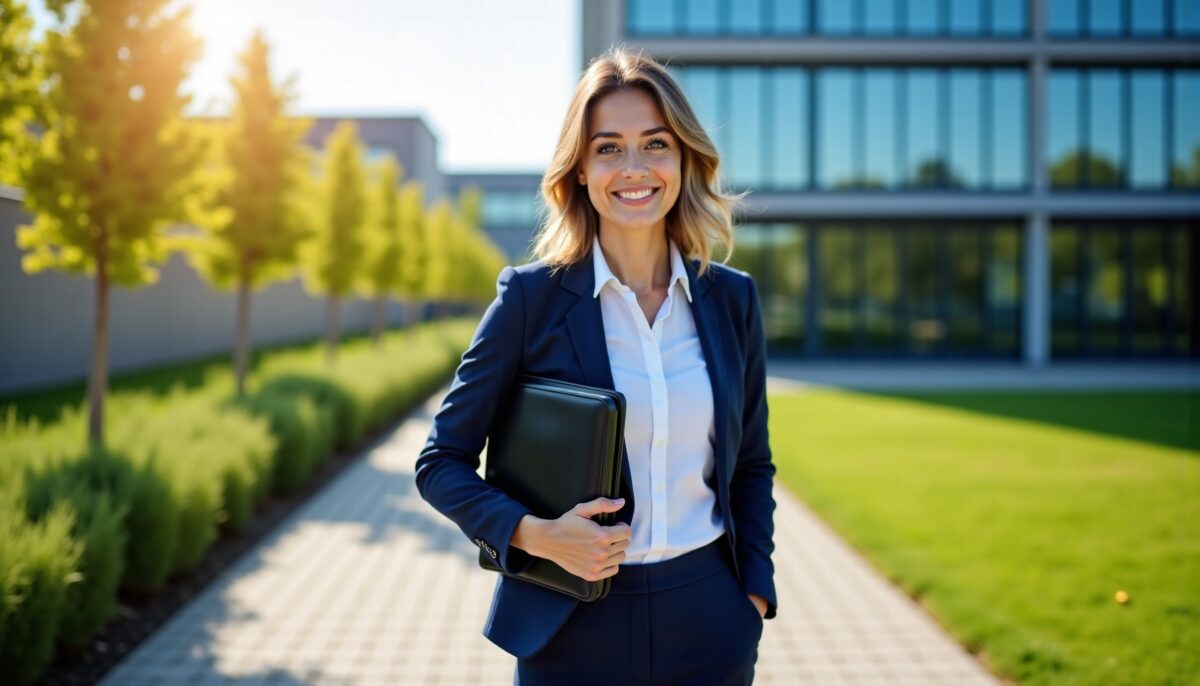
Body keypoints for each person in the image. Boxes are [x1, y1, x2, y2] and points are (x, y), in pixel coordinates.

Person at [414, 46, 777, 685]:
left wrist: (753, 596)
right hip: (569, 627)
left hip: (710, 617)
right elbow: (439, 463)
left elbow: (749, 462)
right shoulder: (531, 299)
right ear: (580, 169)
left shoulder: (731, 299)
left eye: (655, 144)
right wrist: (532, 534)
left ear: (684, 158)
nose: (633, 167)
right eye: (608, 148)